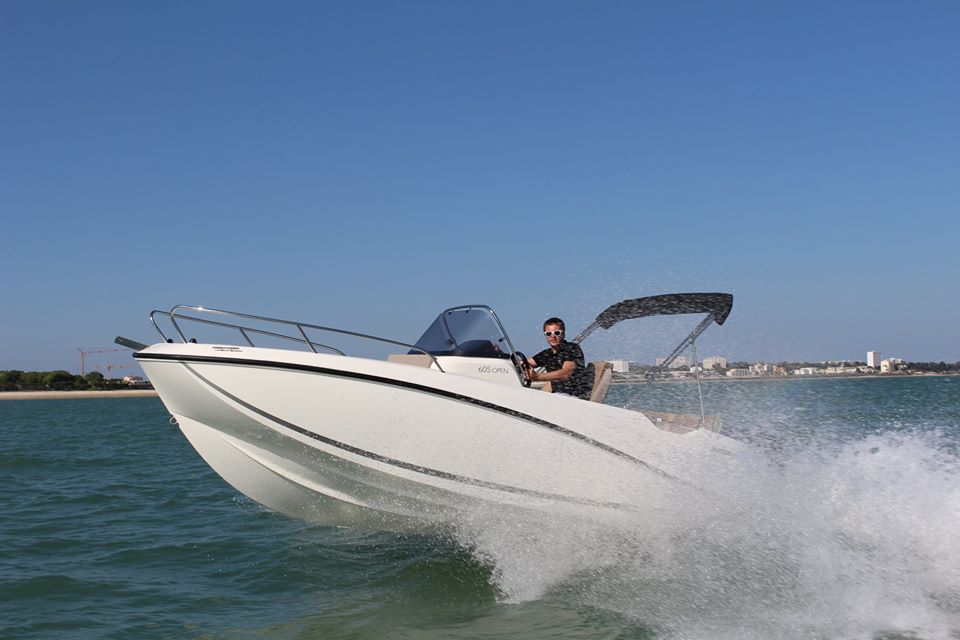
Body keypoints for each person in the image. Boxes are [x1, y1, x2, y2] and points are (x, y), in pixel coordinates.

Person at [526, 317, 592, 399]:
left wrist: (537, 376)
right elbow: (526, 363)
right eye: (548, 333)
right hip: (558, 397)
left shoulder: (572, 348)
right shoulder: (547, 354)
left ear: (563, 334)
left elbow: (565, 374)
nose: (552, 336)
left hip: (575, 397)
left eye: (557, 333)